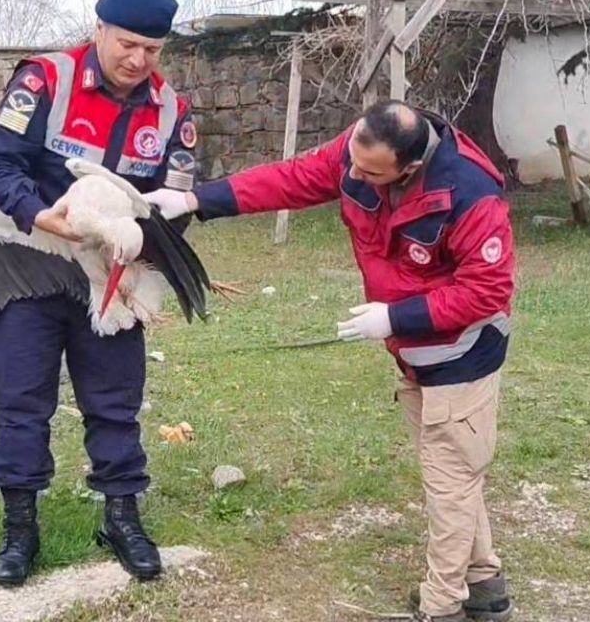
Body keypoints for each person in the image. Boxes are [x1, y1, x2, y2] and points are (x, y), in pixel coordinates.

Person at [144, 101, 515, 622]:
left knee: (450, 480)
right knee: (454, 473)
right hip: (412, 352)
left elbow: (487, 290)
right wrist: (194, 200)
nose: (354, 175)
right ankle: (483, 582)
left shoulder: (471, 193)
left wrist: (396, 317)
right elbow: (292, 180)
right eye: (353, 162)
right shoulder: (359, 151)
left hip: (463, 353)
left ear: (409, 167)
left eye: (370, 172)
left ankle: (443, 605)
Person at [0, 0, 200, 586]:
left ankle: (122, 517)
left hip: (108, 276)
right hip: (29, 265)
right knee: (21, 399)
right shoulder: (46, 81)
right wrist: (39, 215)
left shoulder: (171, 112)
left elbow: (175, 204)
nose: (138, 60)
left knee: (116, 399)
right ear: (99, 30)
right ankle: (20, 527)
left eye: (152, 50)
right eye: (127, 44)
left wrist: (139, 258)